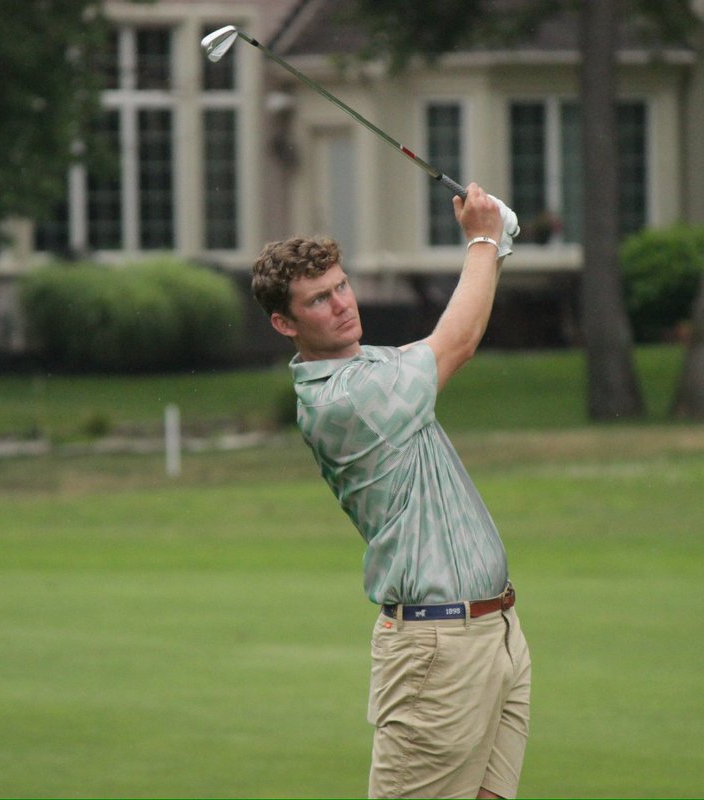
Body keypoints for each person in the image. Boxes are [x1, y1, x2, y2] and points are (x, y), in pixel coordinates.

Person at [251, 183, 531, 799]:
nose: (342, 304)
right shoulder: (343, 400)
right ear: (284, 322)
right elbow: (454, 343)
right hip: (437, 651)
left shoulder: (369, 368)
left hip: (495, 635)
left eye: (342, 286)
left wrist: (494, 251)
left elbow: (445, 333)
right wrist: (482, 240)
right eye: (319, 300)